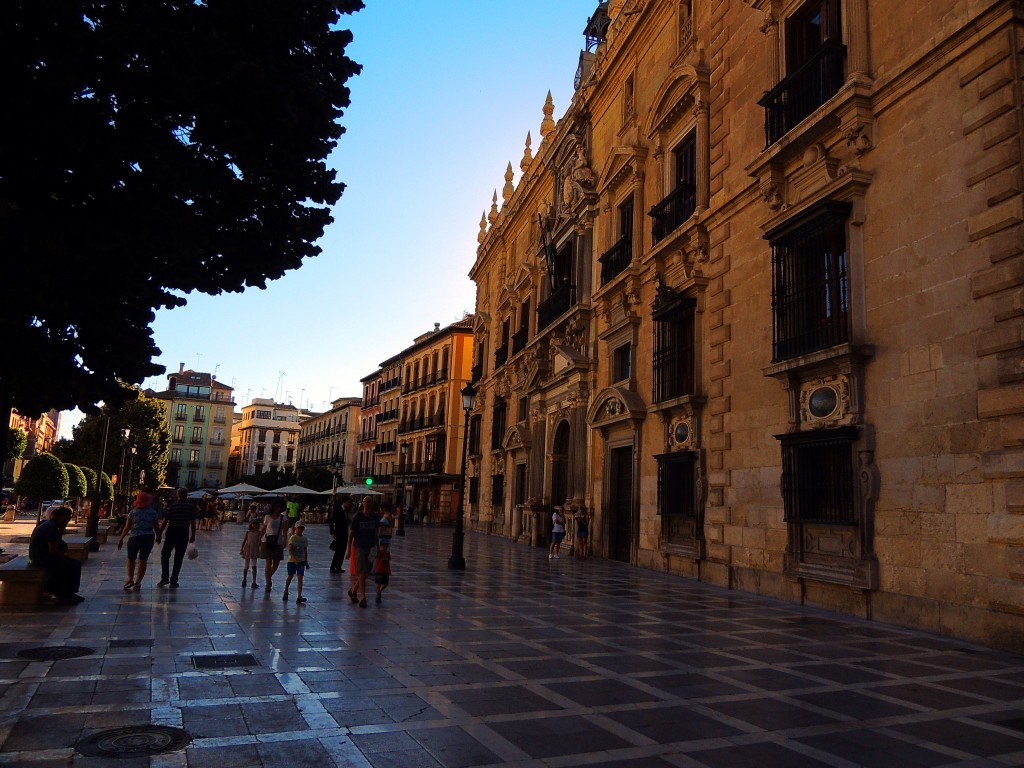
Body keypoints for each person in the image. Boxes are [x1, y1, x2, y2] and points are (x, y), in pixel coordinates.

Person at [29, 505, 83, 605]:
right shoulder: (51, 527)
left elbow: (59, 545)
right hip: (41, 558)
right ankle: (63, 596)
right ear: (62, 516)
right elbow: (53, 550)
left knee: (75, 564)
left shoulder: (50, 524)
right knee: (69, 566)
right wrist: (62, 558)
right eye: (67, 518)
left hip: (41, 556)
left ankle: (69, 593)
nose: (68, 521)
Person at [116, 491, 159, 591]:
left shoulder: (133, 512)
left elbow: (127, 528)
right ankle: (138, 582)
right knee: (143, 560)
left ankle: (130, 579)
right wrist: (159, 536)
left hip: (134, 537)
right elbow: (156, 527)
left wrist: (121, 539)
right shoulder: (153, 512)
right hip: (148, 537)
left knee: (131, 558)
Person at [345, 497, 379, 607]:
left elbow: (376, 533)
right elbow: (351, 534)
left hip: (370, 547)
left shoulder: (375, 517)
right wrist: (349, 549)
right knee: (362, 572)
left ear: (372, 503)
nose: (367, 504)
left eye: (369, 501)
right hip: (359, 547)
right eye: (365, 502)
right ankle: (363, 597)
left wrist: (377, 547)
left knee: (366, 573)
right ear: (362, 503)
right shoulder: (358, 517)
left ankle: (353, 591)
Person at [259, 502, 286, 593]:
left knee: (276, 561)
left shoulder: (283, 517)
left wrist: (285, 540)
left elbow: (284, 530)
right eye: (276, 506)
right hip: (267, 540)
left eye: (279, 506)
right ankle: (268, 583)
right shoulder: (267, 517)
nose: (277, 508)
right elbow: (264, 528)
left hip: (278, 541)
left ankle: (269, 577)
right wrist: (259, 538)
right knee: (268, 561)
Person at [282, 521, 309, 604]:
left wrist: (306, 561)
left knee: (300, 577)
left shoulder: (304, 539)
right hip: (292, 561)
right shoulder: (293, 538)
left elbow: (305, 550)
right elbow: (290, 550)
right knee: (290, 576)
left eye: (302, 528)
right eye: (299, 528)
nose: (300, 530)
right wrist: (293, 558)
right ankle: (286, 590)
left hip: (301, 560)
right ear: (296, 529)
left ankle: (299, 596)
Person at [374, 506, 394, 604]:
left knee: (385, 583)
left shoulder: (388, 515)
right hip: (379, 570)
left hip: (385, 536)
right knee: (378, 583)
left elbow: (391, 525)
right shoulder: (379, 553)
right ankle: (378, 595)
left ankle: (379, 593)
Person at [329, 495, 354, 573]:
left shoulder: (346, 511)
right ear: (344, 502)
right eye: (348, 502)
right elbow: (332, 521)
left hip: (344, 533)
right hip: (339, 533)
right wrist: (332, 532)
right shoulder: (338, 510)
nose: (349, 504)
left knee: (342, 551)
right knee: (338, 551)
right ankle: (333, 567)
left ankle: (339, 566)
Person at [239, 518, 261, 589]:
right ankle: (244, 579)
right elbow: (244, 541)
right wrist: (241, 549)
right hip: (248, 549)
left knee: (254, 565)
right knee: (246, 565)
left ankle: (254, 581)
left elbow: (259, 541)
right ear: (251, 525)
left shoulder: (259, 533)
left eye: (256, 524)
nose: (254, 525)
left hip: (254, 549)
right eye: (253, 524)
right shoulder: (248, 532)